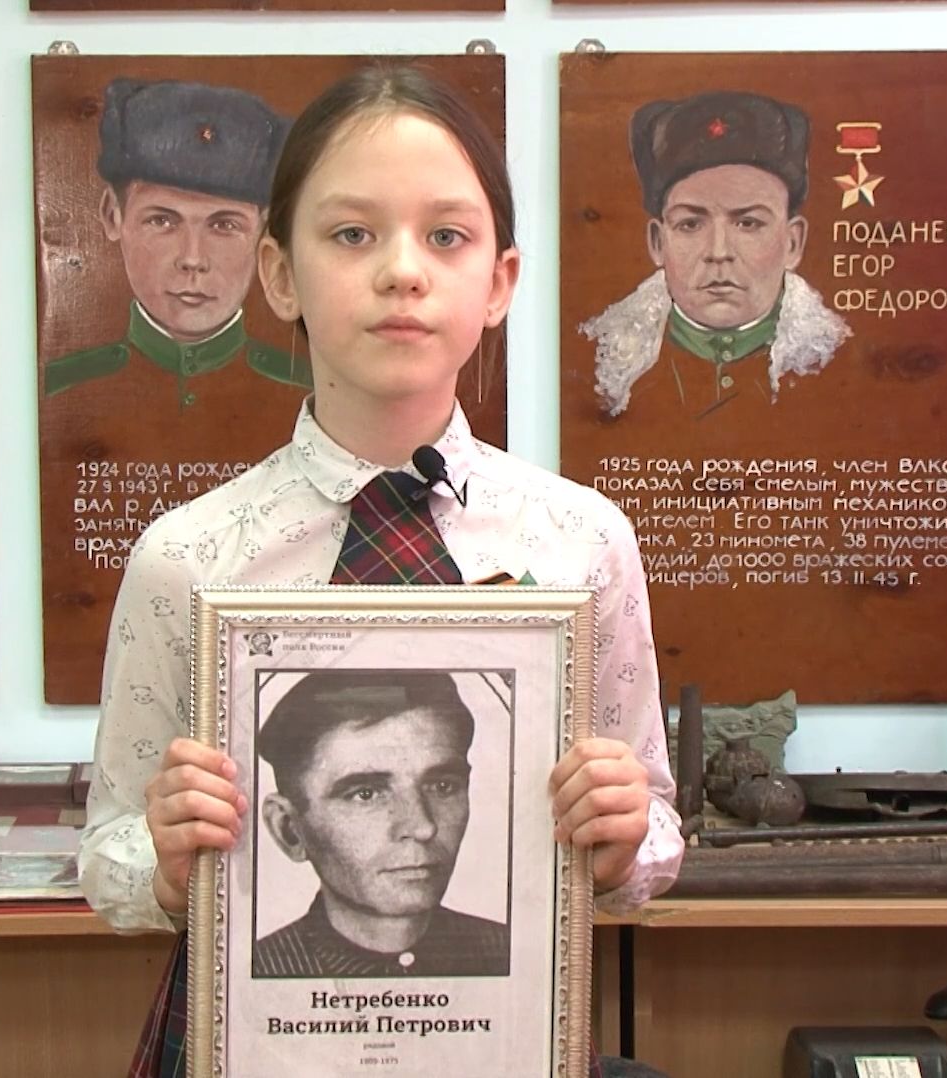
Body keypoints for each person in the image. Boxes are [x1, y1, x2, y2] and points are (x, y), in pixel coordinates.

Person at [76, 64, 683, 1077]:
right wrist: (169, 862)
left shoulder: (579, 542)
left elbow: (653, 828)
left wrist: (623, 838)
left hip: (503, 1040)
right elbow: (107, 854)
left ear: (500, 282)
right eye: (353, 234)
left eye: (446, 236)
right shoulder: (189, 558)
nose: (403, 271)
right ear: (279, 275)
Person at [581, 90, 849, 419]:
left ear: (793, 243)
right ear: (657, 242)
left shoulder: (844, 371)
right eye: (691, 224)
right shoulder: (599, 367)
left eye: (748, 223)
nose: (719, 252)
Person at [42, 78, 310, 403]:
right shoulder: (53, 389)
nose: (193, 259)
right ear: (112, 215)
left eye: (224, 225)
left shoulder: (313, 391)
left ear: (265, 231)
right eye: (162, 221)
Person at [251, 669, 507, 979]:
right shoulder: (246, 976)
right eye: (365, 794)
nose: (422, 826)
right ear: (289, 830)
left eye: (442, 786)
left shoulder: (518, 956)